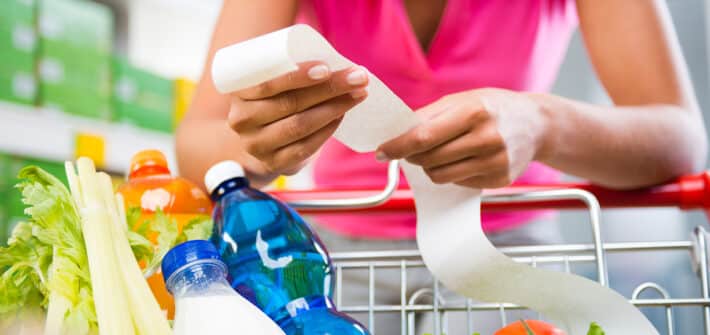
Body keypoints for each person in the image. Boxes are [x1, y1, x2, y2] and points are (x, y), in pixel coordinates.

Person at [176, 0, 708, 333]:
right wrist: (264, 145)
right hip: (336, 258)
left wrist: (545, 124)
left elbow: (680, 137)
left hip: (506, 242)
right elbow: (198, 143)